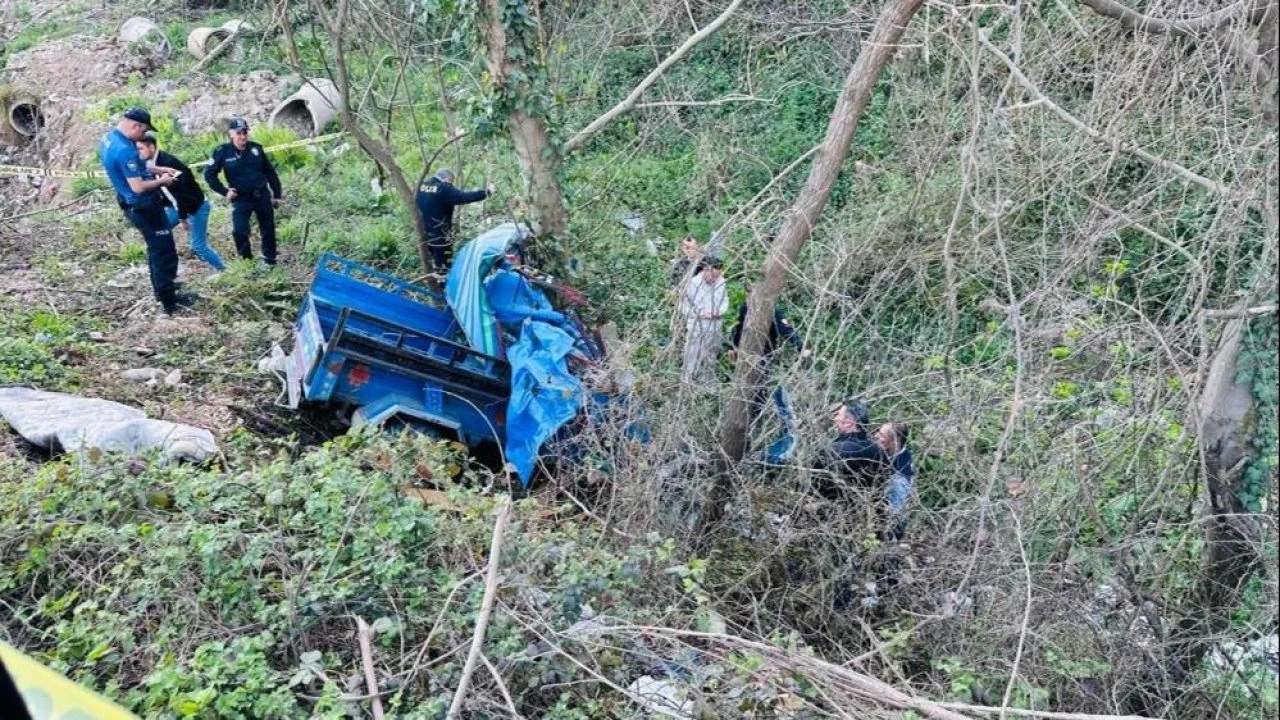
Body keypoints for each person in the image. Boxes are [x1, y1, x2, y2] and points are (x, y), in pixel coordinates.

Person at [98, 108, 195, 317]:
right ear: (136, 126)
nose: (143, 137)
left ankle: (162, 289)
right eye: (143, 132)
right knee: (163, 251)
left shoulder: (108, 138)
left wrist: (158, 170)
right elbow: (138, 186)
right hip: (143, 206)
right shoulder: (125, 150)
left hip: (128, 202)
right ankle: (169, 300)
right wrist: (164, 181)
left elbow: (133, 170)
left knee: (155, 248)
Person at [135, 133, 224, 272]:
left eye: (140, 148)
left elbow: (182, 195)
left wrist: (183, 218)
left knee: (198, 245)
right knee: (159, 231)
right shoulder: (148, 164)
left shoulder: (168, 162)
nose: (137, 152)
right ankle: (165, 268)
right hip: (174, 207)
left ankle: (223, 269)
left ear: (151, 147)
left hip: (195, 207)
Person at [203, 118, 284, 265]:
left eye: (245, 132)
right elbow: (209, 174)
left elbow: (270, 172)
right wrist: (224, 191)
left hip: (261, 195)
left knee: (268, 229)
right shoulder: (222, 152)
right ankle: (247, 262)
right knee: (239, 230)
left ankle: (270, 260)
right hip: (241, 198)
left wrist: (277, 194)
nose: (243, 136)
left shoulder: (256, 149)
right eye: (239, 133)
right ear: (231, 134)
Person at [416, 168, 495, 272]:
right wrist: (487, 192)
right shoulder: (443, 188)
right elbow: (464, 197)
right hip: (441, 235)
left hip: (423, 234)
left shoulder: (421, 185)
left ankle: (433, 280)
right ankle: (442, 285)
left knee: (431, 263)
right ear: (447, 179)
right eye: (451, 182)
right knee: (443, 266)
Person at [814, 398, 887, 498]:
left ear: (848, 422)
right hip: (865, 508)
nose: (835, 419)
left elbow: (816, 485)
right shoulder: (878, 451)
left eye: (838, 415)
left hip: (833, 508)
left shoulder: (833, 450)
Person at [679, 256, 727, 384]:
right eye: (712, 276)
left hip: (715, 326)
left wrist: (719, 312)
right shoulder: (692, 283)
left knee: (710, 357)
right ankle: (687, 383)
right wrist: (699, 313)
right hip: (697, 326)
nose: (714, 279)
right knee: (692, 356)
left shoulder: (721, 282)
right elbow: (683, 307)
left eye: (717, 276)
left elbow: (724, 303)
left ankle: (707, 383)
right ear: (705, 270)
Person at [874, 422, 915, 540]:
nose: (876, 436)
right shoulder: (892, 454)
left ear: (895, 440)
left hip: (889, 529)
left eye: (881, 435)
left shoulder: (900, 474)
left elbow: (898, 510)